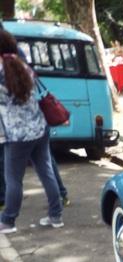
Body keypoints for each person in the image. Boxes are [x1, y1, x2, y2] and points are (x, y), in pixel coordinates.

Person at [0, 30, 62, 234]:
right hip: (39, 127)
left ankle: (8, 221)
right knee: (46, 171)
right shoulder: (23, 66)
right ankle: (56, 215)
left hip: (16, 135)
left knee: (13, 179)